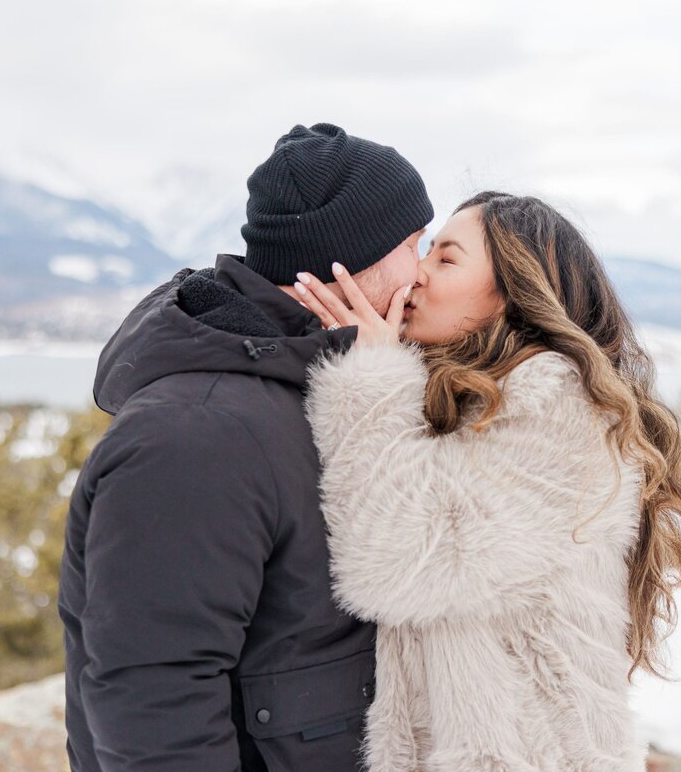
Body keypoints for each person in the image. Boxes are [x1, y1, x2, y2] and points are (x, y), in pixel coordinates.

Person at [293, 191, 681, 771]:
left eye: (446, 259)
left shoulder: (558, 407)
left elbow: (402, 558)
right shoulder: (463, 404)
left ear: (514, 293)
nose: (417, 272)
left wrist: (366, 377)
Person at [57, 123, 434, 771]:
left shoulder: (313, 391)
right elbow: (154, 707)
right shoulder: (195, 434)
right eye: (412, 245)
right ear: (348, 262)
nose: (423, 271)